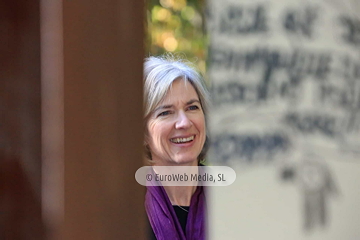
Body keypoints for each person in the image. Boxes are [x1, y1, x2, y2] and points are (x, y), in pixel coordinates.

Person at [143, 55, 210, 240]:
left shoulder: (235, 199)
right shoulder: (123, 211)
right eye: (166, 112)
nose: (184, 122)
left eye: (192, 108)